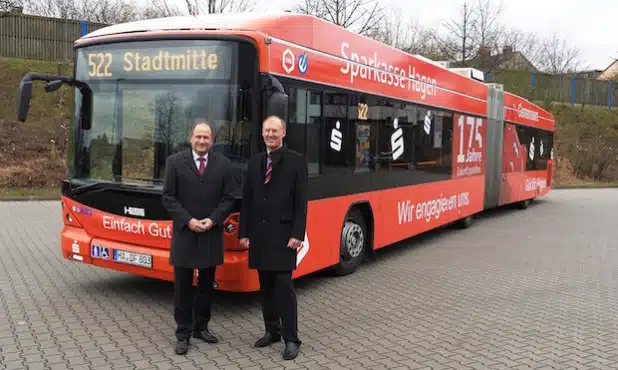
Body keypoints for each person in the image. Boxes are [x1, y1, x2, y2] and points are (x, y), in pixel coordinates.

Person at [162, 120, 237, 356]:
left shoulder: (224, 165)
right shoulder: (174, 162)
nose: (202, 141)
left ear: (212, 140)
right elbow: (169, 198)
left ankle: (201, 327)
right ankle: (182, 333)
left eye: (206, 138)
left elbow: (229, 198)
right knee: (183, 287)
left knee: (206, 285)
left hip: (210, 233)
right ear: (190, 137)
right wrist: (189, 220)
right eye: (198, 137)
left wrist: (213, 220)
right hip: (185, 233)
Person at [238, 115, 309, 361]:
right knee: (265, 286)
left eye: (275, 131)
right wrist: (244, 232)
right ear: (262, 133)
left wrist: (297, 234)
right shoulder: (255, 161)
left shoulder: (296, 161)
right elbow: (247, 200)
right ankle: (272, 331)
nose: (270, 135)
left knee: (283, 287)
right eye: (267, 130)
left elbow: (301, 202)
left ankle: (291, 339)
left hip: (283, 236)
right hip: (259, 235)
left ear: (283, 133)